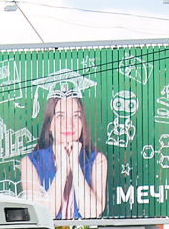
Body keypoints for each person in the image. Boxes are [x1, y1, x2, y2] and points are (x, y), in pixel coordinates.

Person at [20, 93, 108, 222]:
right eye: (60, 116)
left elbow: (91, 212)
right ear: (49, 124)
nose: (69, 124)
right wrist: (63, 169)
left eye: (76, 116)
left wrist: (75, 164)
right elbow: (44, 213)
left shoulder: (98, 160)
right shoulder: (30, 162)